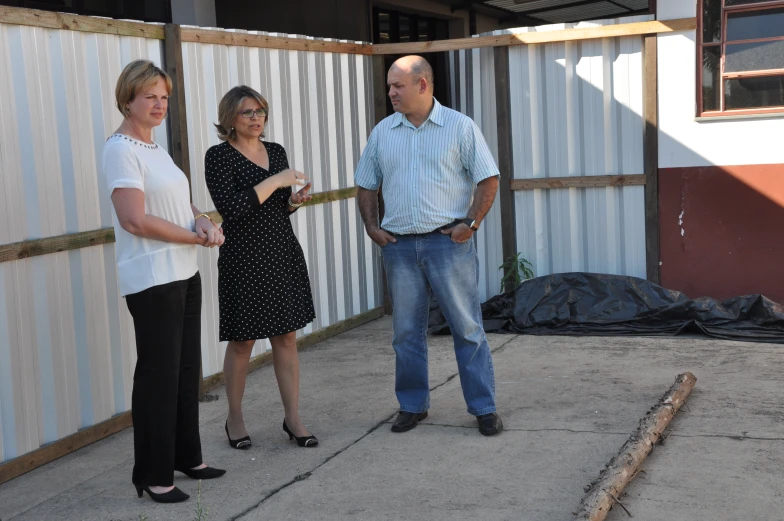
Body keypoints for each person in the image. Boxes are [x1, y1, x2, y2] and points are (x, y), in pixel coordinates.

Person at [355, 55, 503, 436]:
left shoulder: (460, 127)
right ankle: (412, 406)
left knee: (466, 328)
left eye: (397, 86)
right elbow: (366, 183)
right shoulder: (383, 132)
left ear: (422, 85)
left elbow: (488, 178)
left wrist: (470, 223)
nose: (390, 93)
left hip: (447, 245)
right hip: (399, 248)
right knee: (405, 332)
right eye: (389, 86)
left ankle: (484, 408)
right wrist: (372, 226)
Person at [102, 60, 226, 504]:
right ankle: (153, 475)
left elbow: (178, 201)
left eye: (164, 97)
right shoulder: (121, 149)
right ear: (128, 98)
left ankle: (186, 456)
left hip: (183, 271)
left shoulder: (154, 147)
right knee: (159, 376)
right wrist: (194, 235)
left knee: (186, 371)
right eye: (150, 96)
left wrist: (203, 219)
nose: (159, 104)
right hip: (153, 277)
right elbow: (134, 219)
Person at [204, 85, 318, 451]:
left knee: (286, 337)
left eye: (260, 112)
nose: (256, 119)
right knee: (243, 342)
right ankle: (234, 419)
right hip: (243, 258)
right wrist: (277, 181)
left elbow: (277, 205)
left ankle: (293, 418)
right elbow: (232, 208)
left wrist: (294, 201)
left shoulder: (276, 151)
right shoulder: (218, 157)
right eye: (247, 113)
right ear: (229, 120)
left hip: (280, 252)